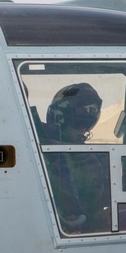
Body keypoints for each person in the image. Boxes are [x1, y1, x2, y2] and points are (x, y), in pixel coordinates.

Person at [42, 83, 111, 233]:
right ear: (61, 118)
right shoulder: (53, 151)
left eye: (87, 123)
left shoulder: (76, 151)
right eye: (79, 123)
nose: (83, 130)